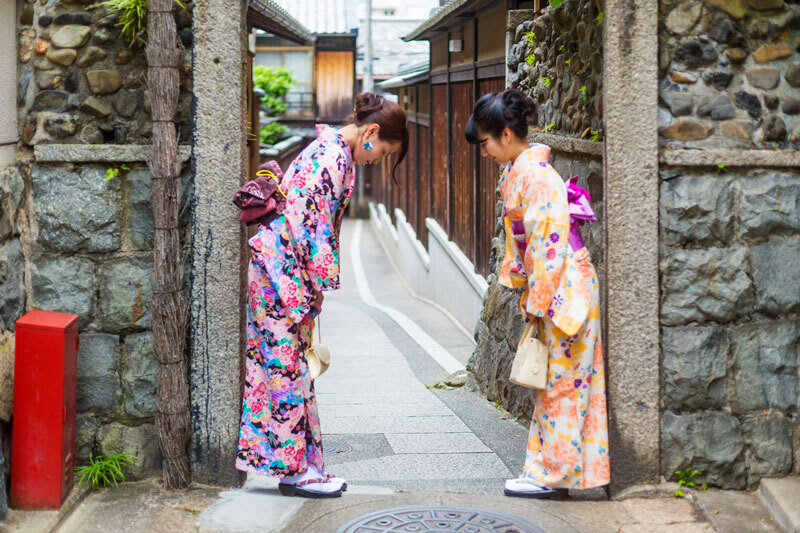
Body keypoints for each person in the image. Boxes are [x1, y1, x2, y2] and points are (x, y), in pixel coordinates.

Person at [236, 92, 408, 498]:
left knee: (287, 369)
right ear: (371, 132)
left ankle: (302, 466)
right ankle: (294, 471)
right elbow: (310, 230)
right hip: (282, 275)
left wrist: (313, 288)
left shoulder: (331, 150)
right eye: (383, 151)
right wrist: (319, 287)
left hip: (278, 271)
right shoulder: (332, 158)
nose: (377, 159)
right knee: (284, 370)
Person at [466, 90, 609, 499]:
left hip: (566, 291)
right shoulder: (527, 172)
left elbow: (547, 244)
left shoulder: (536, 177)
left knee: (562, 385)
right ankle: (555, 473)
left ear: (507, 135)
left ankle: (551, 475)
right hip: (564, 287)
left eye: (487, 142)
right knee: (564, 384)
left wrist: (537, 301)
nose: (486, 151)